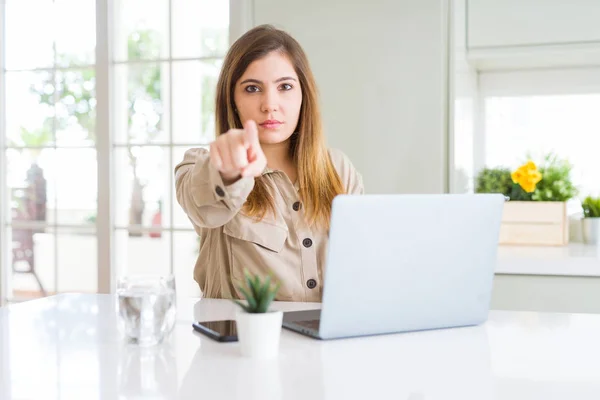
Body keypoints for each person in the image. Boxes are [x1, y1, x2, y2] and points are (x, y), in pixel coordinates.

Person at [175, 24, 363, 302]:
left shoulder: (338, 168)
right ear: (233, 100)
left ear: (303, 95)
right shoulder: (200, 166)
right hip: (239, 342)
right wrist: (228, 173)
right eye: (252, 89)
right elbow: (204, 201)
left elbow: (360, 264)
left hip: (328, 342)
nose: (270, 104)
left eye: (285, 86)